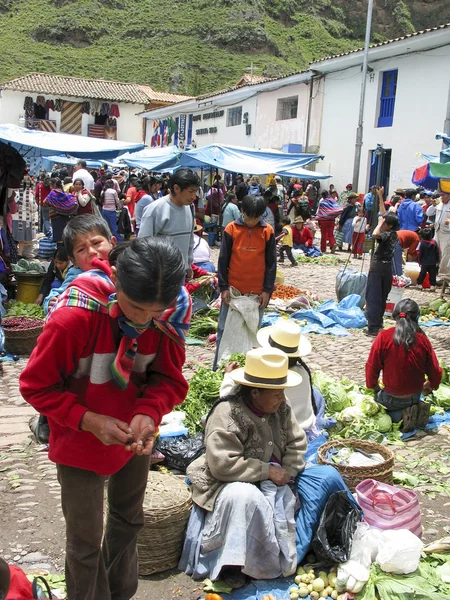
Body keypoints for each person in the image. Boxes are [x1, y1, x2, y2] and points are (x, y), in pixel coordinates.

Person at [20, 237, 191, 600]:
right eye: (135, 308)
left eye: (153, 312)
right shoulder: (75, 317)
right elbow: (36, 386)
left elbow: (169, 379)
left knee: (128, 521)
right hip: (79, 443)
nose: (143, 321)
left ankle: (119, 593)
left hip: (135, 439)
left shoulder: (167, 318)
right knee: (84, 540)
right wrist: (89, 421)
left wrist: (148, 412)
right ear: (115, 278)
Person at [181, 348, 350, 587]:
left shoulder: (280, 406)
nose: (282, 398)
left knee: (326, 475)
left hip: (278, 476)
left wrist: (289, 472)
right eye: (276, 393)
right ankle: (235, 564)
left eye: (282, 392)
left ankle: (319, 541)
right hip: (227, 482)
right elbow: (222, 465)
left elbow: (297, 441)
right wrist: (266, 472)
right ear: (255, 392)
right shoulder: (227, 414)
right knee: (245, 496)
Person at [214, 195, 277, 370]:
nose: (251, 221)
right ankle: (217, 369)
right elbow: (223, 260)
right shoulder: (231, 229)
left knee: (251, 333)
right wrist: (224, 287)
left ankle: (248, 370)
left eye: (256, 218)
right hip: (233, 292)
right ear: (242, 211)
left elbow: (272, 264)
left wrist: (267, 291)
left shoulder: (268, 231)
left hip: (257, 294)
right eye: (249, 217)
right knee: (223, 330)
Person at [366, 299, 442, 432]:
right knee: (408, 399)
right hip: (415, 396)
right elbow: (436, 371)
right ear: (416, 317)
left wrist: (375, 388)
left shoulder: (384, 336)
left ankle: (401, 415)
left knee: (376, 405)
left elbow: (371, 368)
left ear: (395, 316)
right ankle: (416, 408)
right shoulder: (423, 339)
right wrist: (430, 386)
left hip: (391, 399)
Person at [43, 214, 115, 314]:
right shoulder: (76, 274)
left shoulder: (121, 267)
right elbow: (58, 292)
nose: (91, 252)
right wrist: (50, 302)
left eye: (96, 243)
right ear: (74, 261)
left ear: (112, 243)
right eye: (81, 249)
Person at [139, 168, 200, 277]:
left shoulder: (190, 208)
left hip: (180, 274)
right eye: (191, 191)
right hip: (160, 276)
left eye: (195, 192)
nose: (194, 197)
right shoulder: (155, 209)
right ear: (176, 188)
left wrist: (188, 265)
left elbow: (190, 240)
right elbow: (143, 246)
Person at [256, 320, 314, 430]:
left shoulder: (265, 375)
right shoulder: (303, 372)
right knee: (317, 395)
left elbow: (229, 396)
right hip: (306, 424)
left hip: (283, 430)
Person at [365, 213, 399, 337]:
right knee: (382, 297)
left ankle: (373, 327)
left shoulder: (387, 234)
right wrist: (380, 196)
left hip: (378, 268)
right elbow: (385, 214)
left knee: (374, 297)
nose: (382, 224)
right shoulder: (393, 234)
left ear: (389, 225)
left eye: (385, 223)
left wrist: (379, 224)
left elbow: (374, 234)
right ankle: (378, 324)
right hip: (386, 268)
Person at [44, 178, 78, 244]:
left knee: (58, 237)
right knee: (64, 235)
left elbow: (45, 202)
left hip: (56, 217)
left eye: (50, 185)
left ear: (53, 185)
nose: (50, 187)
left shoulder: (53, 193)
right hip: (65, 217)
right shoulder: (64, 192)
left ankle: (60, 251)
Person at [417, 227, 440, 291]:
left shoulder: (422, 243)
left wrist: (419, 262)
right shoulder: (434, 242)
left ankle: (419, 284)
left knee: (422, 274)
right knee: (433, 274)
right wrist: (437, 260)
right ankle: (432, 285)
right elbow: (437, 252)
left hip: (424, 262)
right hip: (433, 262)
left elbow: (420, 253)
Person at [434, 187, 450, 256]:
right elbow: (429, 213)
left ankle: (444, 267)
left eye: (443, 195)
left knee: (445, 253)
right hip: (437, 231)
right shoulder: (440, 204)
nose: (441, 197)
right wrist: (432, 205)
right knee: (436, 252)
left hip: (446, 233)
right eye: (440, 195)